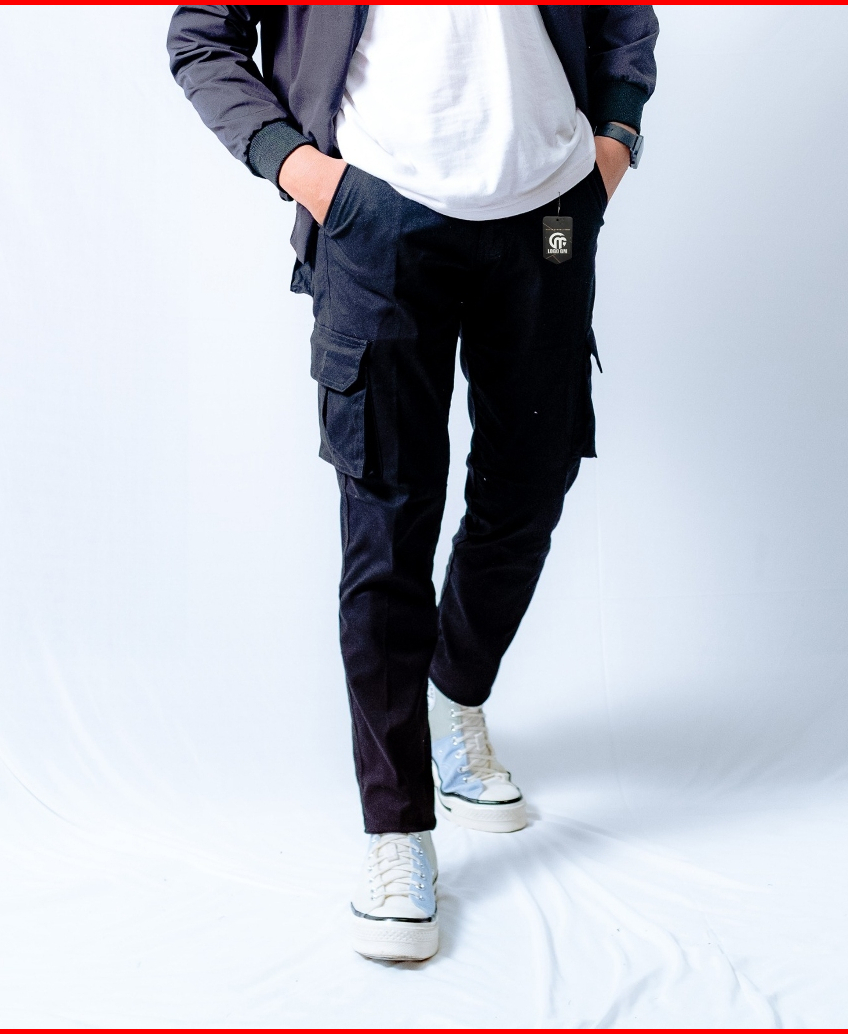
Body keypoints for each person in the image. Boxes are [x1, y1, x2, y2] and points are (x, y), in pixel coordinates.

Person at [168, 4, 658, 962]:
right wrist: (302, 170)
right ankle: (396, 829)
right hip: (378, 218)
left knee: (535, 478)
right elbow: (202, 36)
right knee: (386, 522)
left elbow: (625, 23)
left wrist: (612, 146)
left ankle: (452, 696)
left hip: (554, 217)